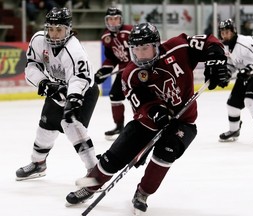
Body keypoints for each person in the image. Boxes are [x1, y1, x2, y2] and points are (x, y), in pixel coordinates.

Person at [69, 22, 231, 212]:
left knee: (165, 154)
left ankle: (143, 192)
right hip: (148, 122)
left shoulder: (177, 47)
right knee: (114, 156)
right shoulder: (130, 73)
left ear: (156, 45)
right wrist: (154, 111)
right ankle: (90, 185)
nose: (140, 54)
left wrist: (215, 59)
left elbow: (209, 42)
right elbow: (139, 101)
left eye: (145, 48)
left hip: (183, 121)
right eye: (135, 49)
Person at [15, 7, 99, 204]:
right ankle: (38, 164)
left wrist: (73, 99)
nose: (53, 34)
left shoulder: (74, 49)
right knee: (45, 126)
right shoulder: (38, 39)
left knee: (71, 125)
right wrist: (44, 83)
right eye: (51, 29)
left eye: (58, 29)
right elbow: (31, 65)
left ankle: (95, 171)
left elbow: (80, 78)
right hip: (57, 88)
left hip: (83, 91)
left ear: (68, 29)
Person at [218, 18, 253, 147]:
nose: (224, 35)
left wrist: (250, 69)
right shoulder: (226, 46)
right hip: (247, 73)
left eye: (227, 32)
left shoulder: (245, 42)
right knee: (232, 104)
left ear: (234, 31)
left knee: (252, 102)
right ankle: (234, 131)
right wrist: (226, 75)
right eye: (222, 32)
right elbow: (232, 65)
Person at [93, 7, 133, 140]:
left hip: (137, 71)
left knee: (137, 97)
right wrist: (104, 71)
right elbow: (111, 58)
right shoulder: (106, 37)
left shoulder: (130, 31)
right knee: (115, 95)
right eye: (110, 19)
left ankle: (145, 124)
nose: (113, 22)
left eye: (116, 19)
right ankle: (119, 126)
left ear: (121, 20)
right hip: (123, 73)